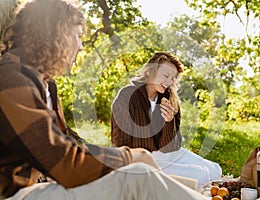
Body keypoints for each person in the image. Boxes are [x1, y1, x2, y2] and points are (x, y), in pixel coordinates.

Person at [0, 0, 209, 199]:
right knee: (140, 178)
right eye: (78, 35)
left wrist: (167, 124)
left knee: (175, 181)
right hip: (12, 194)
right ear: (56, 33)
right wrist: (130, 156)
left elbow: (63, 148)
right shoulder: (11, 79)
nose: (81, 46)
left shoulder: (44, 84)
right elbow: (65, 163)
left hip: (33, 187)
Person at [111, 51, 222, 186]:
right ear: (150, 71)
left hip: (164, 153)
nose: (169, 82)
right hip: (139, 157)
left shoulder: (169, 99)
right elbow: (119, 140)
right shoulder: (127, 95)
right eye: (166, 76)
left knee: (215, 170)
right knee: (202, 175)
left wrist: (169, 122)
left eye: (173, 78)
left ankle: (166, 178)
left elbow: (172, 147)